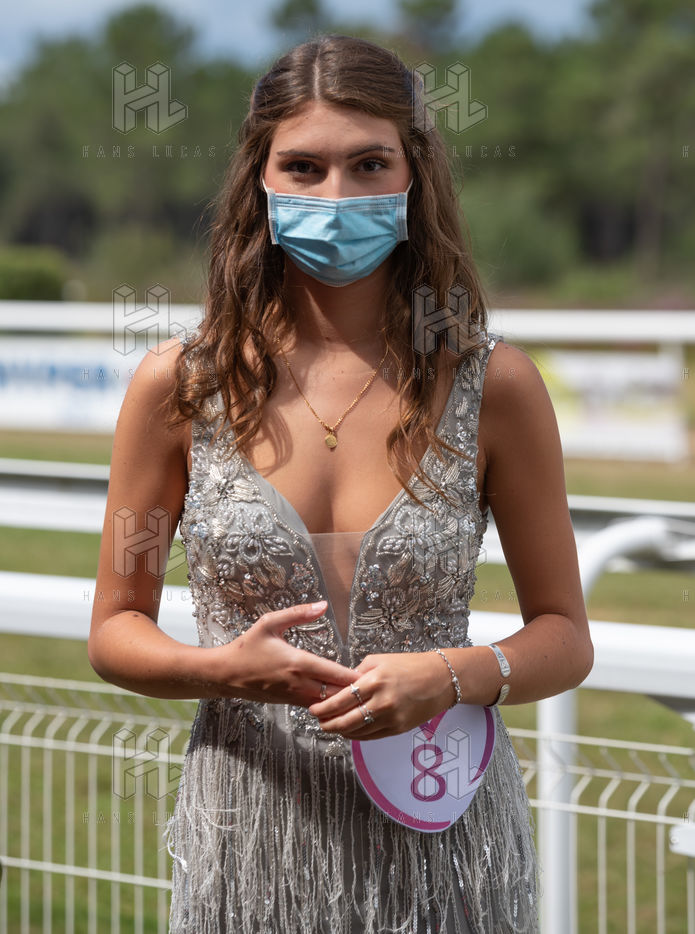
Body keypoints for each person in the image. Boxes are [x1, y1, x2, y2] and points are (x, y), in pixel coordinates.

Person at [88, 33, 593, 933]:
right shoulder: (180, 387)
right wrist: (223, 671)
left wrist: (453, 674)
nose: (336, 197)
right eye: (303, 167)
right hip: (251, 831)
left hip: (445, 835)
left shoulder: (494, 386)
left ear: (413, 175)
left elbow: (564, 635)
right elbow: (115, 629)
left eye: (368, 164)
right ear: (259, 178)